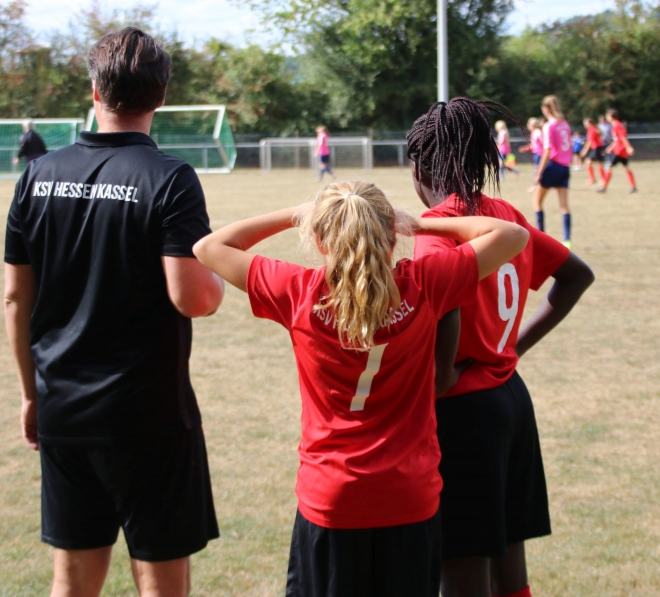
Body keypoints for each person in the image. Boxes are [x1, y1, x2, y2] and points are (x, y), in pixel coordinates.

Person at [193, 180, 530, 597]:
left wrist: (297, 213)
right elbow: (512, 235)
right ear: (391, 236)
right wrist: (419, 224)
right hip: (410, 496)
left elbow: (209, 247)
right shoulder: (425, 283)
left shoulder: (298, 291)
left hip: (331, 497)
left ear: (320, 239)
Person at [3, 27, 225, 597]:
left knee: (72, 578)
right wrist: (218, 275)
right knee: (161, 579)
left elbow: (15, 297)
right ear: (162, 96)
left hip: (62, 407)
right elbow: (194, 298)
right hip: (147, 414)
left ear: (95, 89)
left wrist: (31, 394)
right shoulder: (169, 178)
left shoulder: (36, 176)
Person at [408, 97, 594, 597]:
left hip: (464, 411)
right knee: (510, 567)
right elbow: (577, 275)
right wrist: (514, 349)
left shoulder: (435, 233)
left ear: (420, 168)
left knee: (461, 572)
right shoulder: (504, 217)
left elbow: (444, 340)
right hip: (511, 398)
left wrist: (436, 379)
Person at [532, 96, 573, 248]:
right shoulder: (565, 124)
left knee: (537, 202)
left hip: (553, 166)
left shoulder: (549, 126)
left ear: (546, 109)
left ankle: (541, 238)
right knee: (564, 206)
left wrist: (539, 172)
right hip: (565, 167)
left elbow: (547, 150)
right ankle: (567, 240)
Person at [598, 108, 638, 194]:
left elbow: (623, 137)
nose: (606, 117)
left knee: (609, 167)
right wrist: (611, 147)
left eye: (607, 115)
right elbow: (617, 139)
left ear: (611, 116)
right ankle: (633, 186)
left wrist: (629, 147)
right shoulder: (615, 125)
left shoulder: (617, 125)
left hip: (619, 150)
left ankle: (604, 187)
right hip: (619, 149)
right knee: (626, 168)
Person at [519, 118, 543, 193]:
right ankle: (538, 185)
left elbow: (542, 143)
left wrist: (525, 148)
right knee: (538, 170)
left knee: (537, 170)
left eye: (529, 125)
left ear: (532, 125)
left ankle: (536, 186)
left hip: (539, 154)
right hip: (537, 153)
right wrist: (525, 148)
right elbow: (534, 144)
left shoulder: (537, 132)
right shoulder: (535, 132)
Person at [581, 118, 605, 186]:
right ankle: (592, 179)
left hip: (598, 148)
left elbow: (590, 142)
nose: (585, 126)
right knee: (588, 162)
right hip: (595, 148)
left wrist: (585, 151)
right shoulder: (591, 129)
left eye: (586, 124)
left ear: (591, 123)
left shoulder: (592, 129)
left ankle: (603, 179)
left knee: (599, 163)